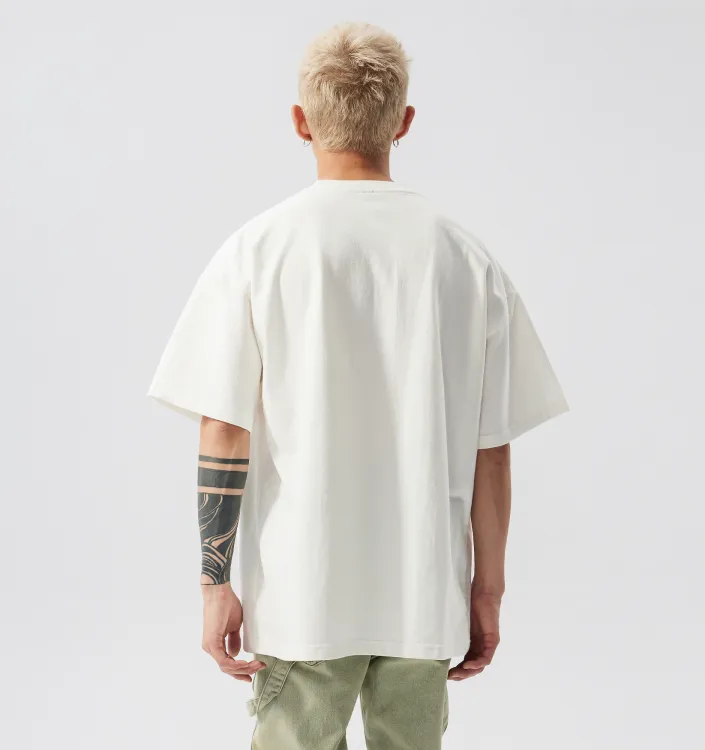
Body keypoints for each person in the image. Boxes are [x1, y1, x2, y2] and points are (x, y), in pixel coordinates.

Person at [148, 21, 568, 750]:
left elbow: (225, 430)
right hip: (422, 595)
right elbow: (492, 450)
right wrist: (487, 592)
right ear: (403, 122)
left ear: (300, 121)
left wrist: (215, 584)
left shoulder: (258, 251)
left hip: (301, 597)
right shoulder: (466, 260)